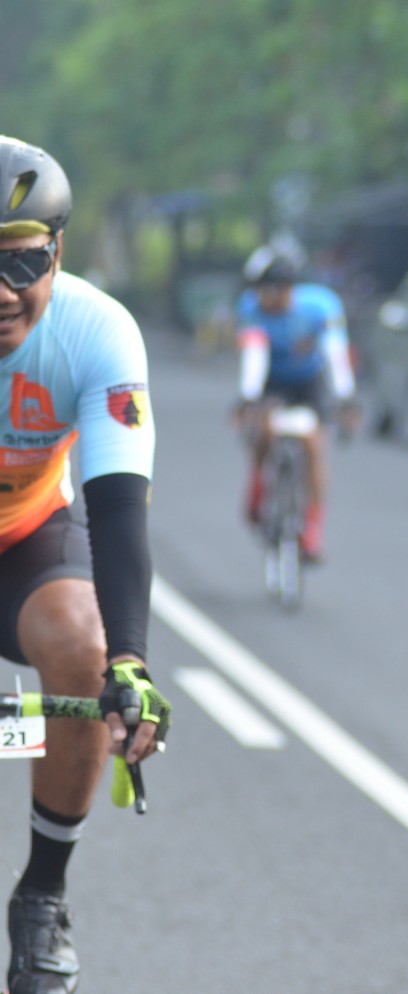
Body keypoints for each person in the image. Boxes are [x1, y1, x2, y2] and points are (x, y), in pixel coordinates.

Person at [0, 135, 170, 994]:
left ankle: (42, 895)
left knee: (83, 647)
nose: (1, 292)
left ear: (57, 254)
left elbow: (117, 507)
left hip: (27, 533)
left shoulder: (97, 332)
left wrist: (130, 663)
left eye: (22, 262)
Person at [234, 244, 357, 562]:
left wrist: (345, 395)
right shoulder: (251, 308)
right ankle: (258, 488)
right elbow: (254, 355)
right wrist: (248, 397)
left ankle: (312, 528)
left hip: (308, 382)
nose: (262, 299)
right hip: (273, 380)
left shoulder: (320, 306)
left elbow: (334, 352)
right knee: (265, 430)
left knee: (314, 445)